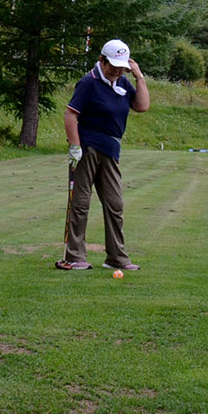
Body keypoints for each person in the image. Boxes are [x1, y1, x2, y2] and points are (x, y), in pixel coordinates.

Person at [56, 39, 150, 271]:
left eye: (122, 66)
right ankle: (75, 256)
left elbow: (142, 106)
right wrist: (74, 146)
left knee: (115, 204)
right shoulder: (89, 82)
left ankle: (116, 257)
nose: (118, 70)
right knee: (80, 203)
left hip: (111, 150)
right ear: (102, 60)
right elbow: (70, 114)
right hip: (87, 148)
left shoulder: (123, 83)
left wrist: (139, 77)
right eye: (114, 65)